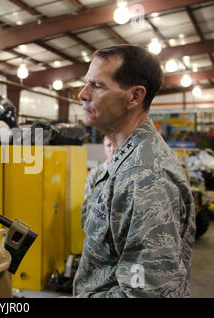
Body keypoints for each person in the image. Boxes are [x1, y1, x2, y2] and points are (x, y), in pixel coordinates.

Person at [73, 44, 195, 297]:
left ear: (135, 96)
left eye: (97, 86)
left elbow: (147, 293)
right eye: (86, 83)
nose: (82, 94)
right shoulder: (124, 161)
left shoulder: (145, 176)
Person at [81, 135, 116, 227]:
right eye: (109, 145)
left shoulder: (127, 173)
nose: (112, 148)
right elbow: (87, 204)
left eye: (115, 144)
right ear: (104, 149)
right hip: (98, 229)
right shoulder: (95, 174)